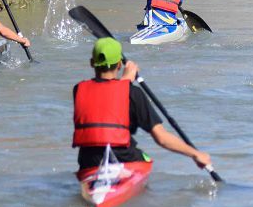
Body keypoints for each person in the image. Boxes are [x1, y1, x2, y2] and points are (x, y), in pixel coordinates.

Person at [73, 37, 211, 171]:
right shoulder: (132, 93)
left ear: (92, 63)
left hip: (88, 161)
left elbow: (105, 94)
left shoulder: (78, 89)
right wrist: (196, 154)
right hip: (123, 158)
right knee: (146, 159)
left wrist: (125, 82)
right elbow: (162, 138)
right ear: (120, 65)